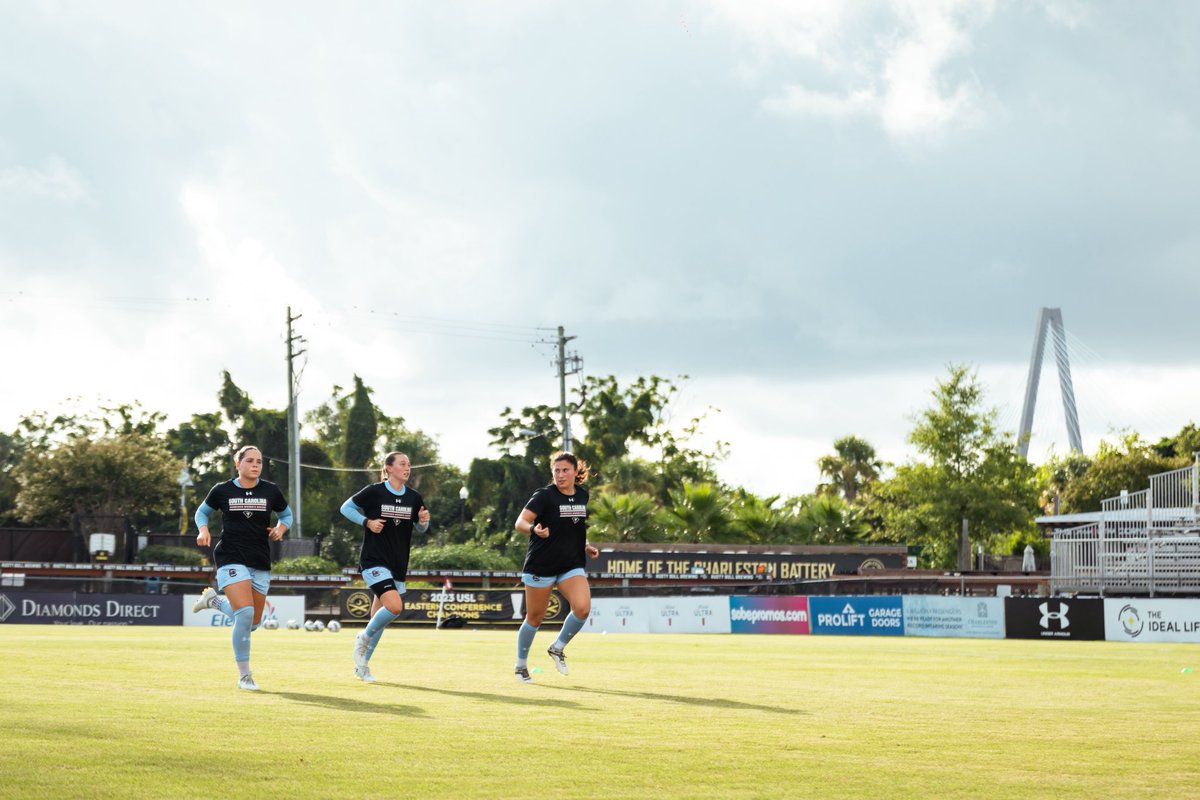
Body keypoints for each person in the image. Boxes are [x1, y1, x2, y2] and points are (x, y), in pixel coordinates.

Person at [191, 445, 291, 691]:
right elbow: (201, 512)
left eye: (259, 461)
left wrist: (281, 528)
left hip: (260, 560)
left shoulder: (271, 490)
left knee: (252, 623)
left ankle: (214, 602)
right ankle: (245, 676)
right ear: (238, 464)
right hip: (230, 556)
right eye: (250, 461)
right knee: (244, 614)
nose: (255, 465)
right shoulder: (221, 490)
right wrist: (203, 529)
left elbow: (286, 515)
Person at [341, 452, 430, 682]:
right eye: (402, 464)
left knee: (378, 620)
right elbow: (346, 508)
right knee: (395, 606)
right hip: (374, 560)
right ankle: (362, 638)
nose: (407, 468)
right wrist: (367, 522)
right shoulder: (374, 491)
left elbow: (420, 529)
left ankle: (362, 666)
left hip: (398, 564)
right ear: (389, 468)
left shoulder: (414, 497)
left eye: (409, 464)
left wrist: (423, 522)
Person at [512, 451, 598, 683]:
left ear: (575, 471)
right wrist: (534, 530)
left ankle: (557, 647)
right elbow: (521, 522)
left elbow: (575, 528)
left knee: (582, 608)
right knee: (535, 618)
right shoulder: (544, 496)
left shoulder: (582, 495)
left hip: (570, 564)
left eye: (565, 470)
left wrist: (586, 545)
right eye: (556, 471)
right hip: (542, 565)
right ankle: (521, 665)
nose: (560, 475)